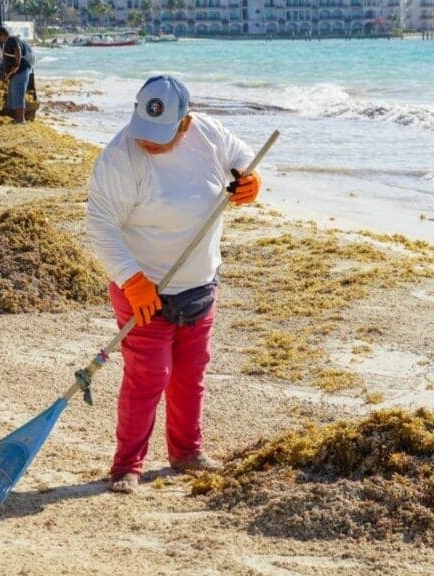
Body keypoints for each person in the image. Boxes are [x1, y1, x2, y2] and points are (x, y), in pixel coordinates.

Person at [86, 75, 262, 494]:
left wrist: (249, 179)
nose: (150, 141)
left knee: (189, 373)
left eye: (162, 133)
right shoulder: (119, 157)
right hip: (142, 288)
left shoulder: (208, 134)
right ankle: (127, 465)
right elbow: (100, 225)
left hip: (199, 283)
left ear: (185, 122)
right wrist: (132, 280)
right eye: (145, 130)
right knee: (149, 375)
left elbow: (243, 156)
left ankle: (186, 452)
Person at [0, 27, 31, 124]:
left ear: (2, 35)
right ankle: (17, 118)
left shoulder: (11, 40)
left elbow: (17, 50)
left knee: (18, 95)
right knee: (14, 96)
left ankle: (21, 120)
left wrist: (17, 65)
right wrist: (6, 74)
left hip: (20, 72)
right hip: (16, 74)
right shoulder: (9, 41)